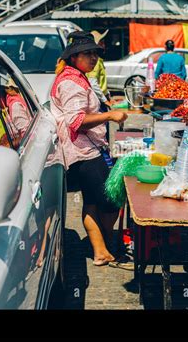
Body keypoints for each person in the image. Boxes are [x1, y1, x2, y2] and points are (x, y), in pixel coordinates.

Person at [50, 31, 128, 266]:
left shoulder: (76, 76)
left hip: (88, 150)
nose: (93, 58)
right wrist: (110, 115)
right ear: (74, 57)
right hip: (83, 153)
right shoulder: (71, 82)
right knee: (110, 200)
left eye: (95, 53)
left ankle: (101, 250)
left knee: (93, 201)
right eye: (88, 54)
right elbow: (76, 120)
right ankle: (104, 244)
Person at [87, 30, 113, 110]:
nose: (104, 45)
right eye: (101, 42)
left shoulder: (99, 60)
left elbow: (101, 82)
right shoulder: (95, 61)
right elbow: (93, 83)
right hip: (98, 100)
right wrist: (105, 101)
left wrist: (108, 95)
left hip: (101, 97)